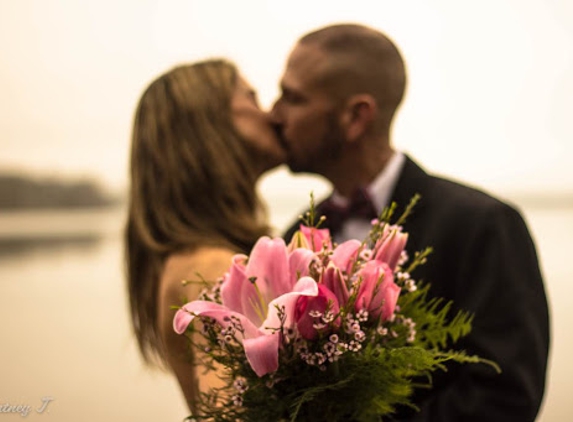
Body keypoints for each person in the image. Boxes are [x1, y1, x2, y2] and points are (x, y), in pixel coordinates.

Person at [273, 23, 550, 421]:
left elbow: (506, 395)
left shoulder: (482, 226)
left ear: (355, 116)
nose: (275, 114)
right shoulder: (294, 237)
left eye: (292, 98)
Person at [125, 59, 285, 415]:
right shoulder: (213, 269)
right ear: (209, 123)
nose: (272, 115)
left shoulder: (187, 258)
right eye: (251, 97)